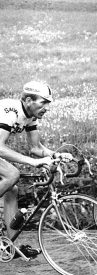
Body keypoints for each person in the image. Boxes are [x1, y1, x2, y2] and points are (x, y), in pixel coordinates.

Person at [0, 81, 70, 259]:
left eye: (48, 103)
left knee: (11, 189)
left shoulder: (31, 115)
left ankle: (10, 246)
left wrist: (56, 155)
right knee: (12, 174)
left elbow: (36, 148)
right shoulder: (10, 111)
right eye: (43, 102)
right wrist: (33, 163)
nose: (47, 107)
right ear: (29, 100)